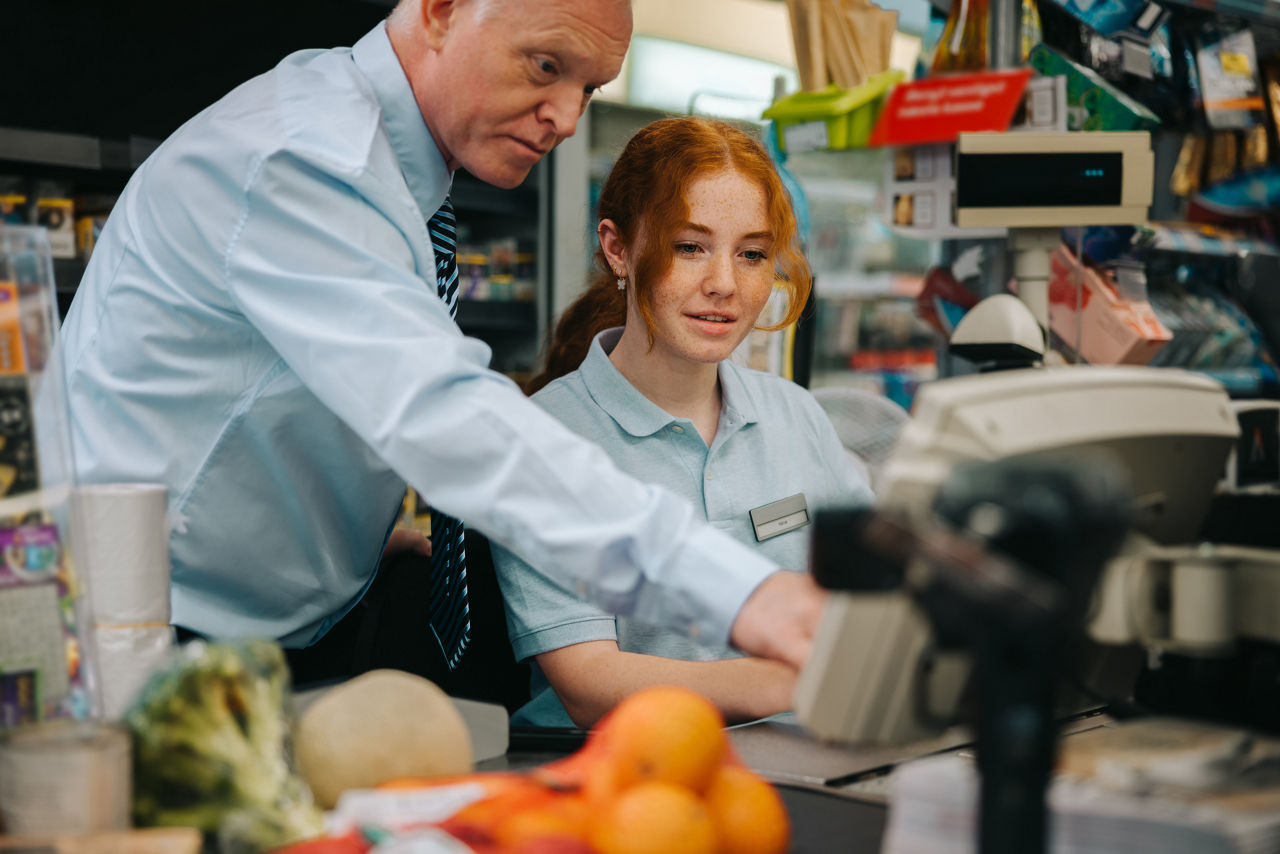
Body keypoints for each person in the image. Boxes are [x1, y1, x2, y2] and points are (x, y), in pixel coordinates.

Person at [57, 0, 827, 680]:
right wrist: (742, 593)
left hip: (276, 628)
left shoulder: (398, 173)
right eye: (545, 65)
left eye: (588, 88)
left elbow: (303, 380)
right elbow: (444, 415)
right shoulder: (305, 159)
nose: (563, 115)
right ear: (440, 10)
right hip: (141, 637)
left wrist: (344, 524)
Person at [493, 117, 875, 728]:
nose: (724, 284)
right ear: (618, 247)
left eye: (752, 255)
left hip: (803, 764)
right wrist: (791, 680)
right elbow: (591, 684)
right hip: (630, 783)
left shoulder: (794, 414)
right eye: (688, 246)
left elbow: (869, 598)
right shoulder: (546, 434)